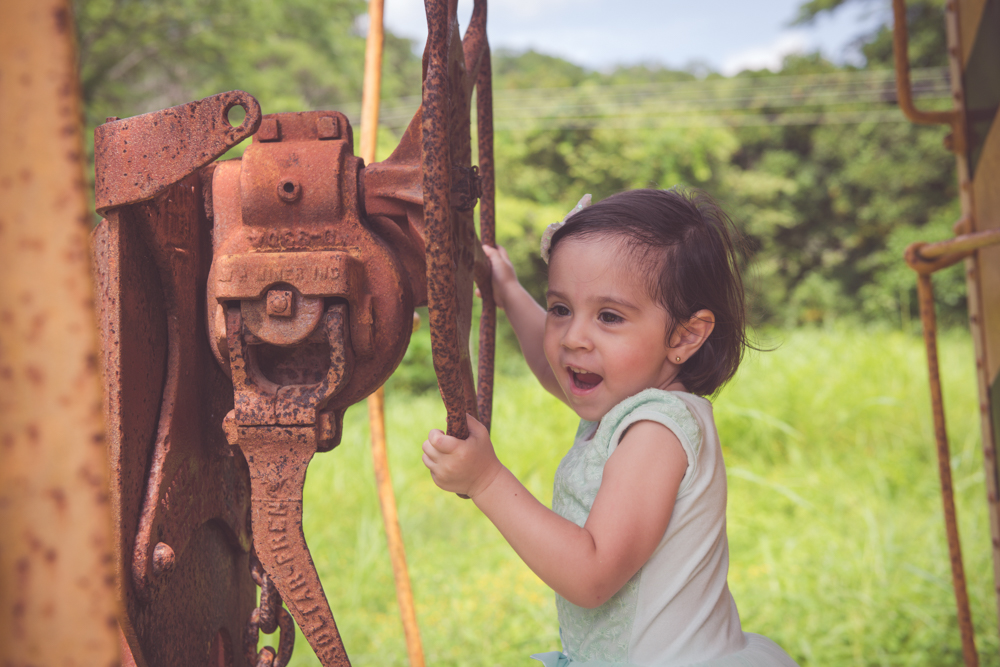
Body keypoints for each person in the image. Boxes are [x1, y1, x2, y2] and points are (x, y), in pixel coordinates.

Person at [421, 188, 798, 667]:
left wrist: (486, 480)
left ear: (685, 335)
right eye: (561, 309)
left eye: (609, 316)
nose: (574, 338)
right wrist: (510, 292)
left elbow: (591, 575)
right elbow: (553, 370)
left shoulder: (657, 432)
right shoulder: (627, 402)